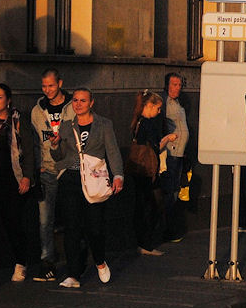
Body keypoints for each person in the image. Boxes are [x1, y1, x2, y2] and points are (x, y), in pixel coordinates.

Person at [49, 87, 123, 288]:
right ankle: (73, 274)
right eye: (75, 100)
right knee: (72, 227)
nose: (78, 104)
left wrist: (118, 176)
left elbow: (113, 152)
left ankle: (99, 261)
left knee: (94, 227)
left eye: (83, 101)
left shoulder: (104, 124)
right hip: (70, 180)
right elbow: (59, 156)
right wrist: (55, 145)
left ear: (91, 103)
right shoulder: (65, 126)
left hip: (94, 180)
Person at [0, 84, 36, 283]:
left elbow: (28, 150)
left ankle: (21, 263)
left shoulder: (18, 121)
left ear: (8, 100)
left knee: (13, 224)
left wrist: (27, 176)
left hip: (11, 182)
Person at [29, 69, 74, 281]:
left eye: (51, 86)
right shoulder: (38, 110)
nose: (47, 90)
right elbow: (37, 141)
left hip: (69, 169)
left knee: (71, 217)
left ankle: (75, 261)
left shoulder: (73, 106)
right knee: (45, 220)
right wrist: (38, 166)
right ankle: (47, 262)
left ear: (60, 84)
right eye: (44, 86)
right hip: (46, 170)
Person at [130, 91, 176, 256]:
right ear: (149, 106)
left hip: (139, 170)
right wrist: (168, 138)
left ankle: (143, 242)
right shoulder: (147, 124)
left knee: (144, 205)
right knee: (152, 206)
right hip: (148, 171)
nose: (158, 112)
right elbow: (156, 146)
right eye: (157, 108)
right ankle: (146, 243)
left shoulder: (137, 122)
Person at [161, 72, 191, 243]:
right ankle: (168, 229)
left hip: (179, 152)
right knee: (169, 190)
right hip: (170, 153)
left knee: (175, 189)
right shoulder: (165, 101)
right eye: (174, 84)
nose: (177, 88)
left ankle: (171, 227)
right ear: (167, 85)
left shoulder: (177, 102)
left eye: (179, 85)